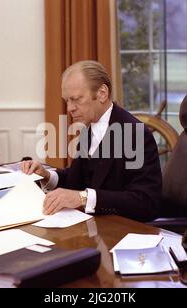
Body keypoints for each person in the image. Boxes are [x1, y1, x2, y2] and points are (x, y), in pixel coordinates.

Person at [22, 60, 162, 222]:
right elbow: (80, 177)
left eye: (76, 99)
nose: (69, 108)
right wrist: (47, 176)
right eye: (67, 100)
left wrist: (84, 198)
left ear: (102, 93)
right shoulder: (90, 127)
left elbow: (146, 202)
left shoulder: (135, 134)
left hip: (120, 232)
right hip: (92, 227)